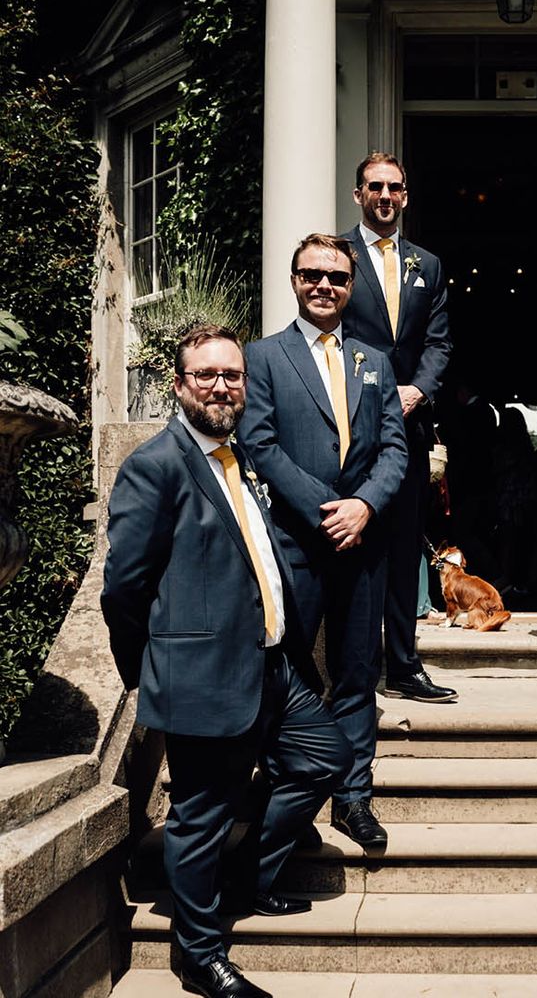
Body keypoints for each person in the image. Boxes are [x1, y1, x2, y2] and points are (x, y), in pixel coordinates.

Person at [102, 324, 350, 998]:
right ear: (180, 385)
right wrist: (152, 672)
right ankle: (199, 955)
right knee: (199, 819)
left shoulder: (243, 460)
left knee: (325, 757)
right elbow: (123, 589)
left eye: (233, 375)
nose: (222, 386)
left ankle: (245, 880)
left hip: (275, 667)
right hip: (202, 678)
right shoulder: (156, 465)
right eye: (207, 375)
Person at [237, 234, 407, 849]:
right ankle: (290, 797)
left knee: (358, 674)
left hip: (363, 542)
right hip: (296, 543)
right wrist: (325, 509)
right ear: (293, 280)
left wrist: (363, 506)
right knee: (289, 671)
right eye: (312, 275)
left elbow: (395, 448)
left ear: (350, 285)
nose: (324, 286)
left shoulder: (374, 362)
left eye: (336, 277)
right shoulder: (263, 357)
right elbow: (259, 444)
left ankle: (354, 799)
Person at [340, 152, 456, 703]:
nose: (385, 196)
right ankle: (356, 672)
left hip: (408, 424)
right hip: (349, 423)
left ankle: (406, 668)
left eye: (395, 188)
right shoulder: (336, 257)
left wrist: (418, 390)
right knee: (359, 546)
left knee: (408, 542)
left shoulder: (427, 266)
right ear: (359, 194)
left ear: (405, 196)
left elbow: (438, 341)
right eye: (374, 187)